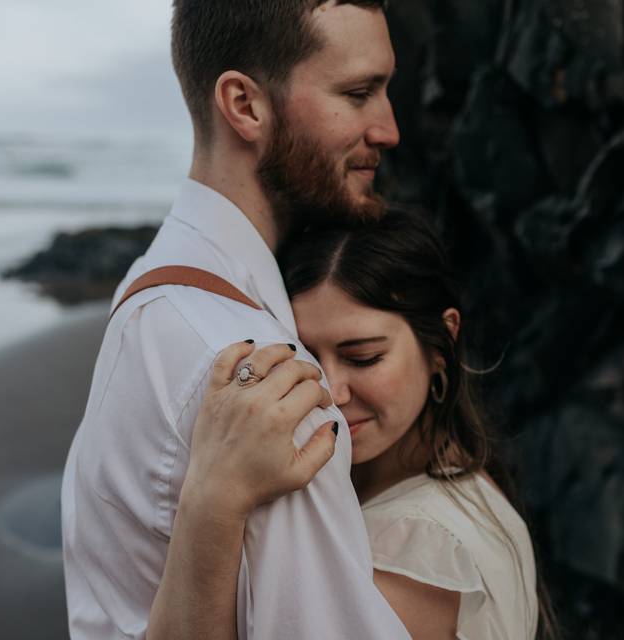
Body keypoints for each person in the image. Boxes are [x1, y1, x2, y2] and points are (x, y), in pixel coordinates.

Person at [61, 1, 411, 638]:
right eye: (358, 93)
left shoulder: (153, 287)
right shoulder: (267, 389)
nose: (388, 128)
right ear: (245, 106)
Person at [148, 211, 559, 639]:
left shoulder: (425, 550)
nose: (331, 391)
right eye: (305, 358)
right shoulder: (465, 481)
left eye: (363, 357)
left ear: (443, 342)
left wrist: (212, 495)